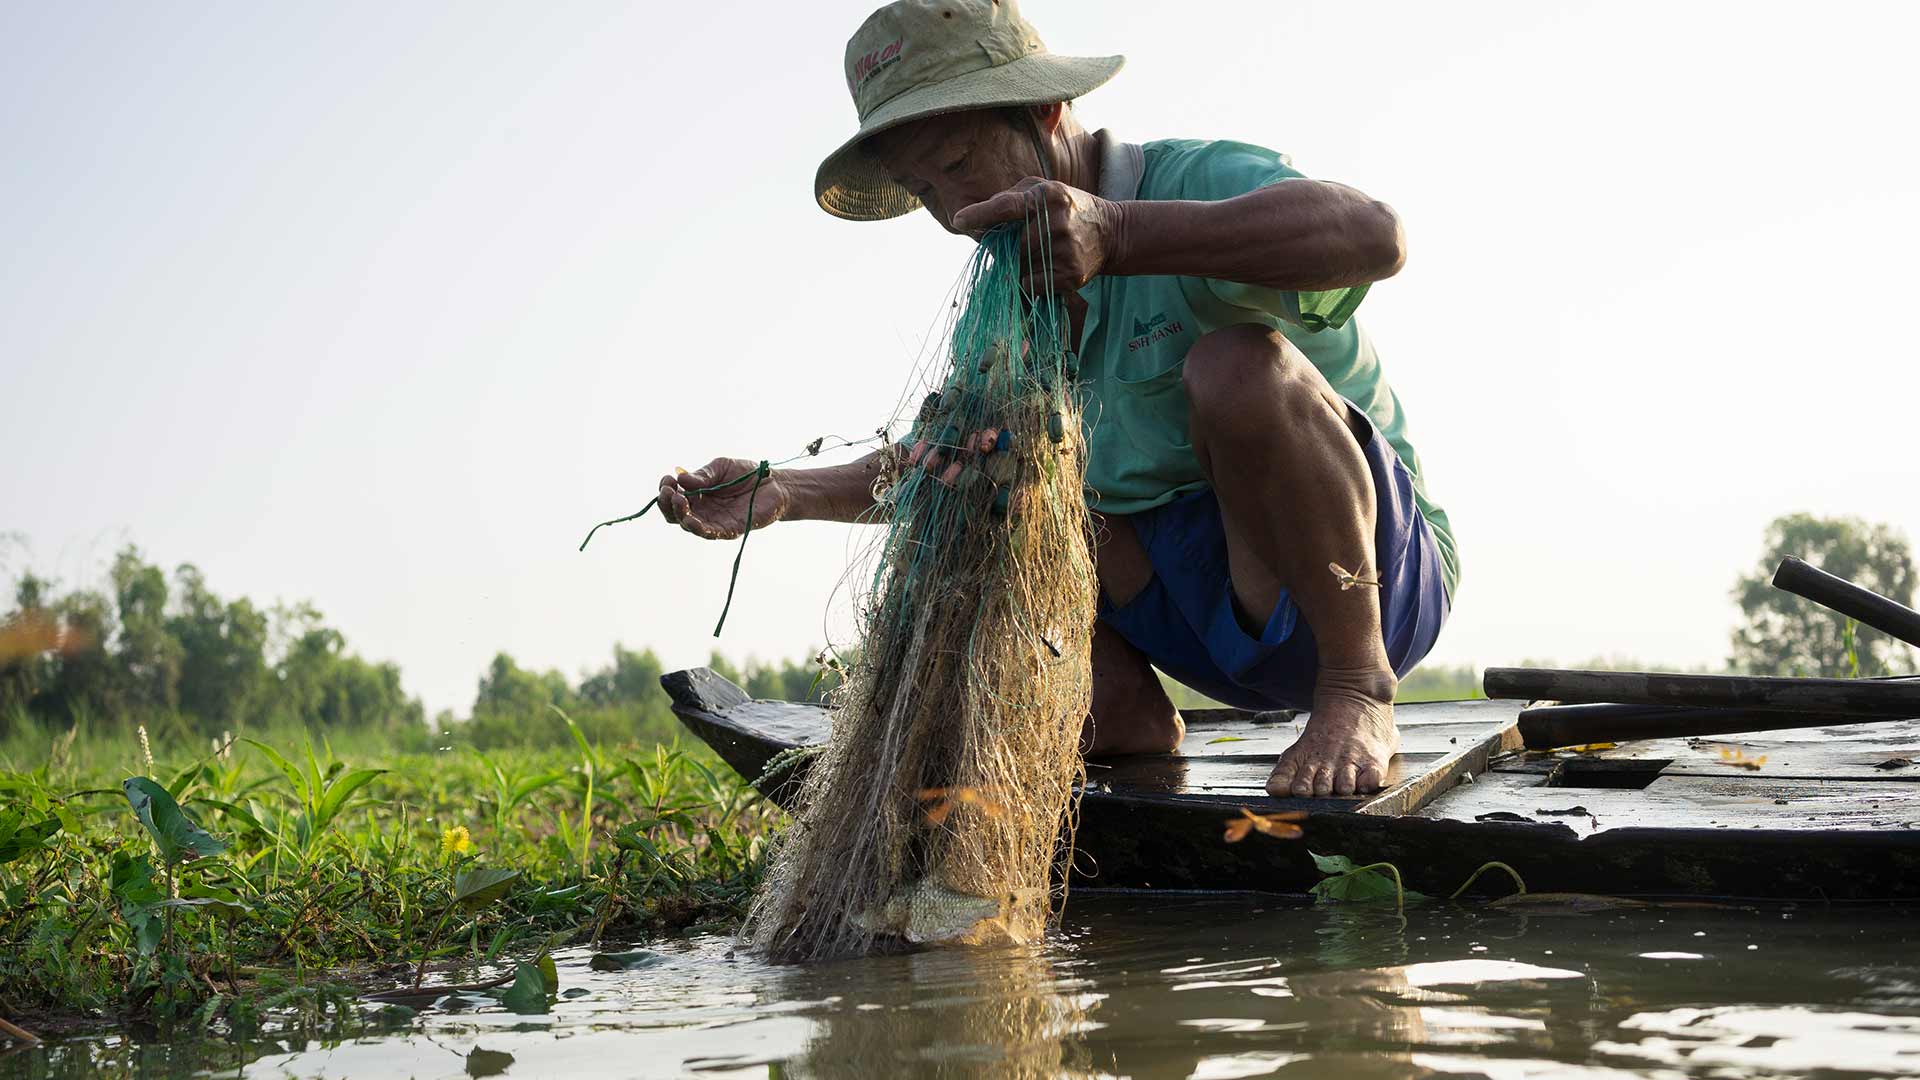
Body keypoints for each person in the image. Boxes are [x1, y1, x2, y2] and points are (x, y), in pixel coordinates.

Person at [656, 0, 1457, 798]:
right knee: (993, 463)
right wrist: (784, 492)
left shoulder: (1191, 178)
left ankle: (1358, 690)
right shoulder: (1008, 299)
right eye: (923, 189)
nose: (955, 216)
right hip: (1190, 619)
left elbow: (1375, 236)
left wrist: (1121, 235)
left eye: (962, 163)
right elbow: (942, 459)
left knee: (1234, 368)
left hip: (1365, 587)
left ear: (1047, 110)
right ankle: (1121, 712)